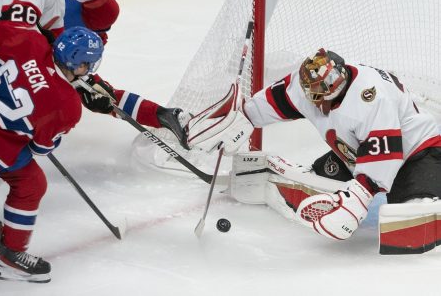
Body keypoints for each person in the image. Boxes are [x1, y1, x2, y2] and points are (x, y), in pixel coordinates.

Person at [188, 48, 441, 241]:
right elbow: (274, 101)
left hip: (417, 153)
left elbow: (386, 151)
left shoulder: (370, 96)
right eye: (314, 97)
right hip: (355, 154)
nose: (317, 105)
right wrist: (240, 118)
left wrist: (358, 198)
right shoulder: (309, 85)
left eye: (324, 97)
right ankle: (291, 179)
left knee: (415, 216)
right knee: (319, 182)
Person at [0, 0, 189, 149]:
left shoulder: (80, 34)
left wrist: (158, 114)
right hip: (21, 41)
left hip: (40, 44)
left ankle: (163, 115)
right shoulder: (48, 16)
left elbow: (97, 90)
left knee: (95, 92)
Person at [0, 24, 105, 283]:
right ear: (78, 64)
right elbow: (40, 148)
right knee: (30, 182)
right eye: (87, 64)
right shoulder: (68, 105)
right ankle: (10, 258)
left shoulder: (29, 39)